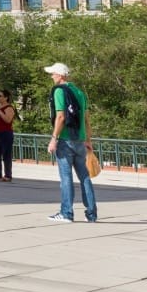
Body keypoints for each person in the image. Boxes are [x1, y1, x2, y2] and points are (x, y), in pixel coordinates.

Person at [45, 62, 101, 225]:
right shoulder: (79, 92)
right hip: (80, 140)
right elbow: (86, 118)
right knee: (84, 177)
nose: (51, 76)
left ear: (61, 75)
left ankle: (66, 213)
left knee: (66, 177)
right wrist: (88, 140)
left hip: (65, 139)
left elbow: (61, 116)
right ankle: (91, 214)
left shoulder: (59, 91)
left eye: (53, 73)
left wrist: (54, 138)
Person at [0, 89, 17, 182]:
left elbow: (8, 120)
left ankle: (8, 175)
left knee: (6, 154)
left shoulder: (9, 108)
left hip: (6, 133)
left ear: (6, 97)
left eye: (0, 96)